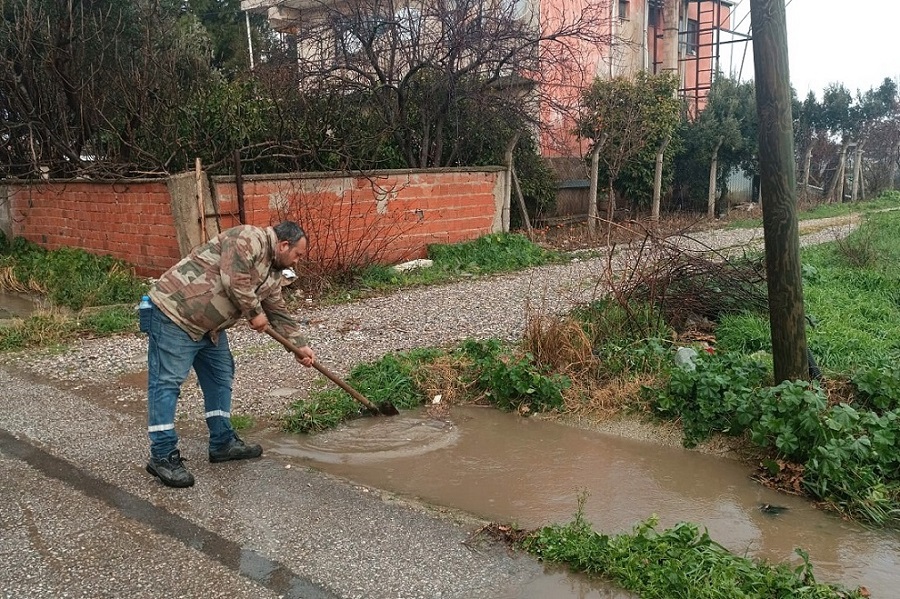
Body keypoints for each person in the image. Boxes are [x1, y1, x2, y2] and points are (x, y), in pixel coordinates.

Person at [144, 221, 315, 488]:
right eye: (297, 254)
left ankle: (222, 442)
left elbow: (277, 310)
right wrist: (254, 313)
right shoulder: (249, 238)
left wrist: (299, 345)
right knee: (167, 383)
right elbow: (235, 278)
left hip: (210, 328)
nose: (297, 261)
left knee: (221, 377)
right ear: (284, 245)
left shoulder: (272, 273)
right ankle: (162, 455)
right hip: (175, 315)